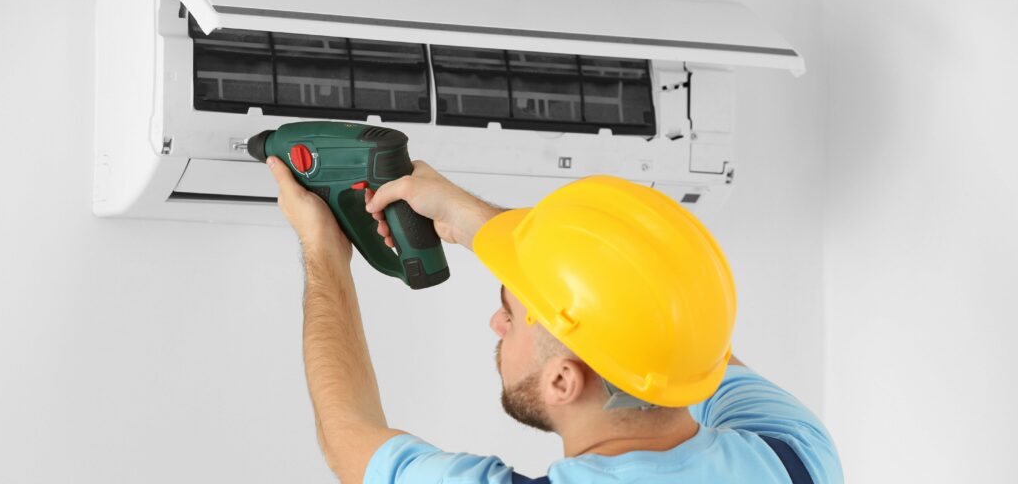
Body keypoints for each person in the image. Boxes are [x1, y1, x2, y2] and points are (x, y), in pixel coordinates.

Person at [265, 156, 843, 484]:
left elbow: (347, 436)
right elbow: (671, 311)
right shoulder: (795, 459)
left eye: (511, 314)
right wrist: (475, 223)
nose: (497, 324)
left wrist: (323, 250)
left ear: (563, 380)